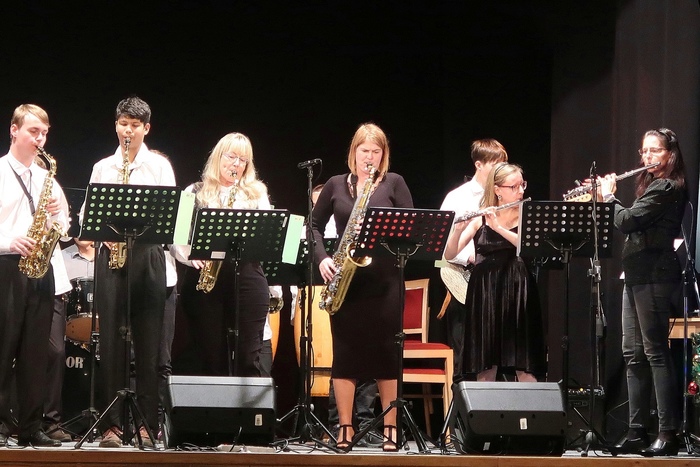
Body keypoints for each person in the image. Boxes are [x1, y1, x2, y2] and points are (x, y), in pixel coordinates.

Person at [312, 122, 413, 451]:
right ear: (353, 152)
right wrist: (322, 258)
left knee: (387, 354)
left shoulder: (394, 183)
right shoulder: (335, 184)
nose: (369, 157)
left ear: (384, 155)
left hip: (385, 281)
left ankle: (391, 428)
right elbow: (313, 225)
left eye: (376, 151)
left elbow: (411, 229)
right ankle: (345, 426)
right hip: (346, 280)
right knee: (345, 355)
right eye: (364, 150)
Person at [87, 96, 176, 448]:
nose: (128, 131)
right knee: (111, 344)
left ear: (146, 128)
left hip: (148, 257)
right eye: (123, 124)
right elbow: (88, 216)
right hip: (112, 257)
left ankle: (146, 425)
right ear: (116, 125)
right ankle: (111, 426)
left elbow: (171, 216)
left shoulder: (159, 166)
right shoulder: (102, 167)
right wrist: (104, 235)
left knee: (150, 346)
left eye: (135, 126)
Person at [599, 128, 686, 456]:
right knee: (632, 353)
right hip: (635, 275)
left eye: (655, 151)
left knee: (655, 352)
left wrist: (609, 197)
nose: (647, 156)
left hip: (655, 275)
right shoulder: (651, 185)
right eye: (644, 151)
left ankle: (667, 432)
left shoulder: (667, 187)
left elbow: (629, 221)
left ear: (669, 154)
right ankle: (637, 430)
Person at [173, 132, 270, 378]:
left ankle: (247, 404)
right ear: (218, 157)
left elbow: (267, 238)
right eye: (231, 157)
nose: (236, 164)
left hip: (247, 276)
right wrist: (190, 255)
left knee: (249, 356)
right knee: (211, 358)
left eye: (243, 160)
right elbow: (176, 238)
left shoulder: (257, 194)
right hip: (205, 279)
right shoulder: (194, 191)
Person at [0, 104, 69, 447]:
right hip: (6, 267)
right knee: (3, 349)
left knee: (36, 353)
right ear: (14, 130)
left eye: (44, 133)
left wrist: (57, 216)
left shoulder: (47, 177)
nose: (40, 139)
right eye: (33, 132)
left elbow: (65, 228)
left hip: (42, 268)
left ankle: (30, 426)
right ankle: (1, 425)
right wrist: (8, 241)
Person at [444, 162, 545, 383]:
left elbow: (528, 247)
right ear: (497, 190)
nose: (520, 191)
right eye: (513, 186)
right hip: (486, 292)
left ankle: (530, 405)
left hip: (518, 289)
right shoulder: (480, 217)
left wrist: (498, 228)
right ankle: (484, 405)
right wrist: (457, 230)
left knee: (524, 361)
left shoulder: (527, 214)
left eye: (522, 185)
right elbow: (450, 254)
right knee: (486, 361)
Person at [438, 139, 508, 376]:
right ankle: (461, 397)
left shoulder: (504, 196)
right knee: (465, 351)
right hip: (463, 278)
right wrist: (470, 256)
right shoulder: (457, 197)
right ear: (479, 165)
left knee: (495, 352)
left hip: (496, 281)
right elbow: (443, 242)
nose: (500, 170)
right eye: (495, 165)